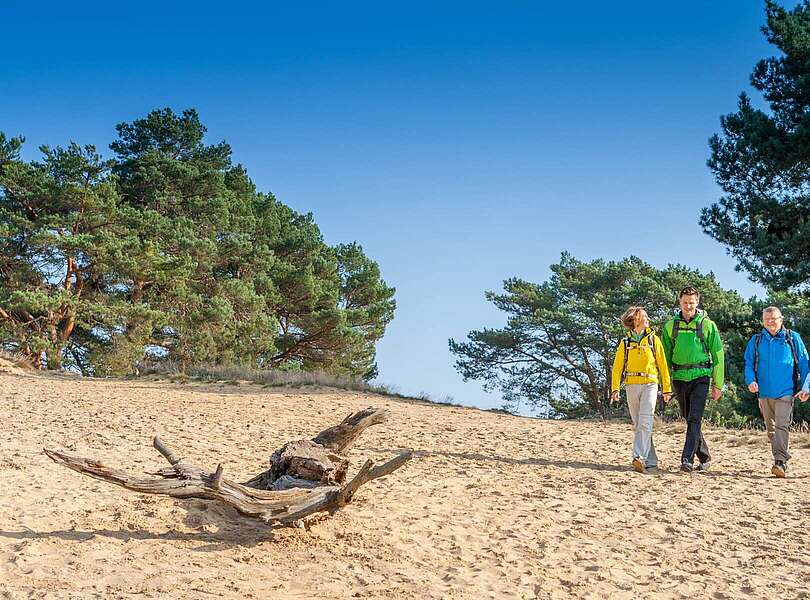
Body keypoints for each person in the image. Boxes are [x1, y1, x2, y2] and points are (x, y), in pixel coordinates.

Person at [661, 286, 724, 473]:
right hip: (679, 377)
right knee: (689, 419)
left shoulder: (707, 325)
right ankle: (704, 456)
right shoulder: (670, 326)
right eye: (685, 302)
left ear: (697, 302)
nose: (688, 306)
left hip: (701, 376)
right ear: (679, 302)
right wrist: (665, 383)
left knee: (695, 418)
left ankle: (686, 459)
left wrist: (718, 384)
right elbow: (664, 355)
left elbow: (718, 354)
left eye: (692, 302)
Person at [743, 306, 810, 478]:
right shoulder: (756, 340)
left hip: (786, 391)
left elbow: (804, 364)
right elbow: (748, 363)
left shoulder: (793, 338)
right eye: (767, 320)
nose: (770, 322)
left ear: (781, 319)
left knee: (782, 424)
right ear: (763, 321)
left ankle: (780, 461)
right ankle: (779, 458)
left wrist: (805, 388)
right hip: (764, 392)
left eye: (774, 319)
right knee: (771, 429)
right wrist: (751, 381)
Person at [610, 306, 672, 473]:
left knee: (645, 422)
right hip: (631, 384)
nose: (647, 319)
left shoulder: (654, 340)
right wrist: (615, 389)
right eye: (644, 317)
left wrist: (667, 389)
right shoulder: (625, 343)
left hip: (650, 384)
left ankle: (638, 457)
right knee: (639, 425)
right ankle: (651, 460)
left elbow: (663, 365)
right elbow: (617, 368)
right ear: (634, 320)